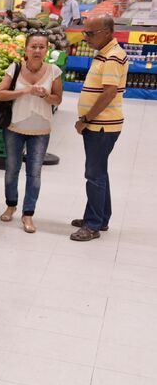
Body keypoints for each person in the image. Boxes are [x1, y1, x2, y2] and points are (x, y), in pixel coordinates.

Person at [0, 33, 63, 233]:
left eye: (42, 47)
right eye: (34, 46)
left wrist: (45, 95)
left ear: (46, 50)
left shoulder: (54, 71)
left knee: (34, 173)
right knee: (12, 168)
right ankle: (11, 204)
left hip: (40, 129)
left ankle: (28, 214)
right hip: (15, 127)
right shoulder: (14, 69)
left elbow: (57, 100)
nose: (37, 51)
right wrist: (24, 91)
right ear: (26, 49)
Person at [71, 14, 126, 241]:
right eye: (85, 32)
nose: (86, 37)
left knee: (94, 174)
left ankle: (92, 226)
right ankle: (100, 217)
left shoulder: (112, 56)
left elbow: (109, 93)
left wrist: (86, 119)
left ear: (107, 32)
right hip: (102, 124)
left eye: (90, 33)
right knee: (99, 172)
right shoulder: (104, 54)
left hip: (102, 125)